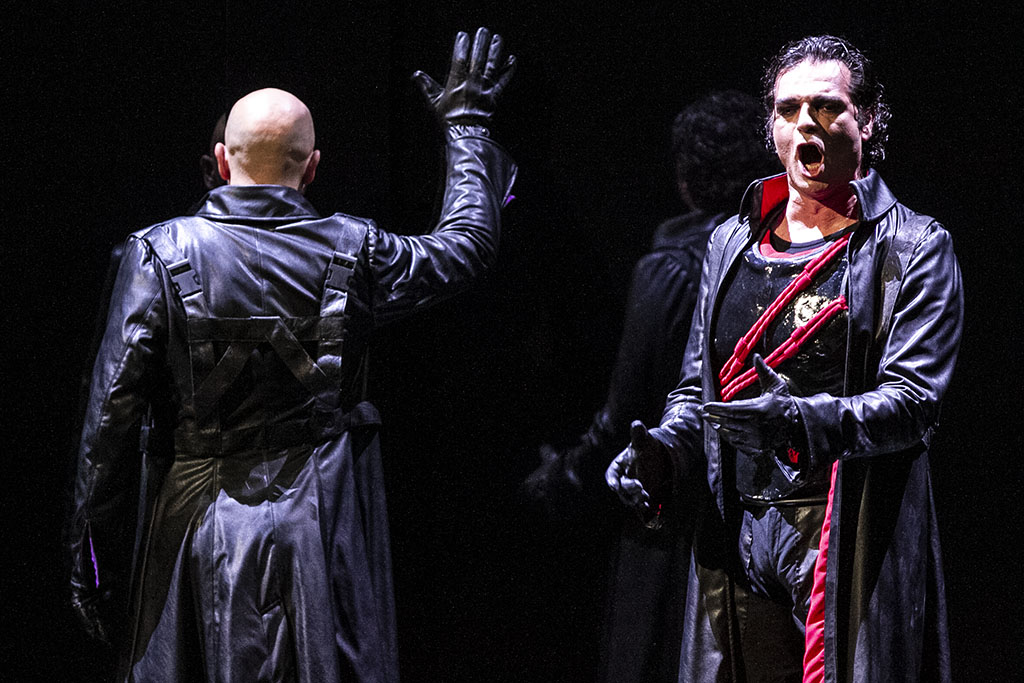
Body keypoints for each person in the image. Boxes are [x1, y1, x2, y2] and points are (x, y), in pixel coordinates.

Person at [67, 27, 516, 682]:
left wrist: (92, 566)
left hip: (198, 530)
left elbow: (107, 426)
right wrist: (467, 128)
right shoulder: (356, 249)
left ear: (221, 161)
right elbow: (465, 248)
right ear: (311, 168)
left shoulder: (157, 254)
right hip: (320, 528)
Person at [607, 35, 961, 682]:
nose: (805, 122)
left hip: (840, 527)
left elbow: (914, 402)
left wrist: (800, 420)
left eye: (827, 106)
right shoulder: (731, 242)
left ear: (868, 120)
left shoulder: (914, 247)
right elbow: (697, 390)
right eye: (787, 108)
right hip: (737, 527)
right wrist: (663, 450)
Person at [523, 91, 778, 683]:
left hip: (670, 518)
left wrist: (557, 479)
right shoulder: (779, 261)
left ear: (685, 177)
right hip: (746, 519)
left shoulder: (669, 270)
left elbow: (626, 418)